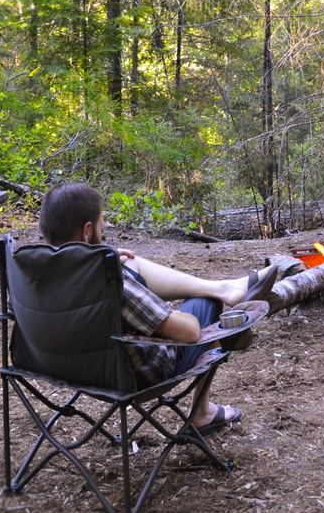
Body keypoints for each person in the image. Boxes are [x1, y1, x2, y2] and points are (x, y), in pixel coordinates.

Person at [38, 182, 278, 435]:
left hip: (67, 370)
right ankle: (202, 413)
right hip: (133, 376)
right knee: (205, 302)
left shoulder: (32, 276)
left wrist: (103, 257)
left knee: (130, 262)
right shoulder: (107, 281)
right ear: (87, 231)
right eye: (100, 223)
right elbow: (189, 333)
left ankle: (225, 287)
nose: (103, 228)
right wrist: (170, 310)